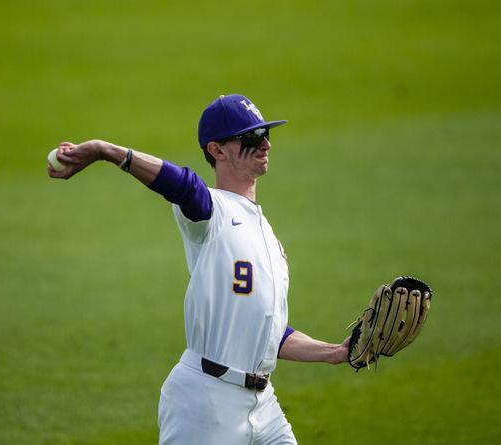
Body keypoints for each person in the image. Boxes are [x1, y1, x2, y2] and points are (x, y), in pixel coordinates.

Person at [48, 94, 349, 444]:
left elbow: (271, 332)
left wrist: (334, 352)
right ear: (217, 150)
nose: (265, 144)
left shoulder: (269, 237)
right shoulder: (211, 213)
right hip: (207, 402)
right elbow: (183, 185)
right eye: (251, 137)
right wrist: (106, 151)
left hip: (263, 405)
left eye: (267, 134)